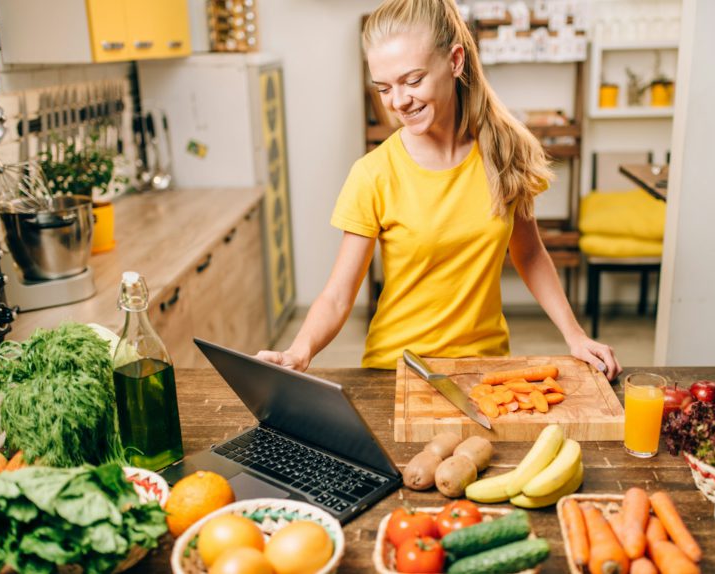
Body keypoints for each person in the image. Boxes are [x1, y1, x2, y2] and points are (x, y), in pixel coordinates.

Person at [258, 0, 622, 380]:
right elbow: (337, 296)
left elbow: (529, 254)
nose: (399, 101)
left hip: (486, 368)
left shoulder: (502, 152)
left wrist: (575, 335)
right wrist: (298, 353)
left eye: (412, 80)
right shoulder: (373, 174)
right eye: (384, 88)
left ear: (455, 61)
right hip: (395, 372)